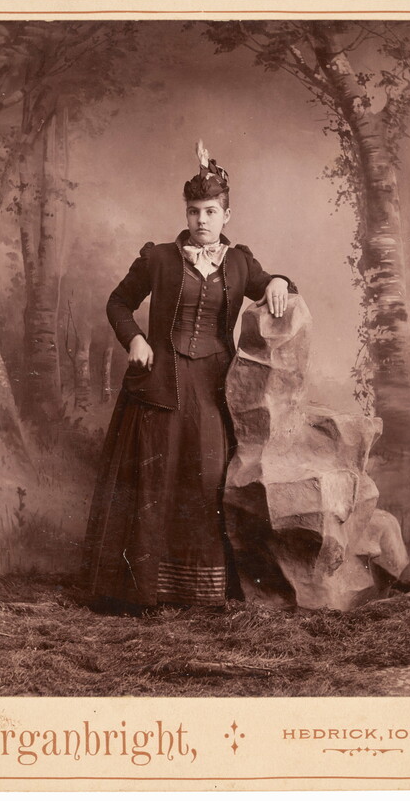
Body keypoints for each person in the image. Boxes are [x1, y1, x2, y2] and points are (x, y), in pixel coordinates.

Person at [81, 141, 297, 612]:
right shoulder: (158, 257)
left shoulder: (239, 262)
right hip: (160, 385)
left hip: (216, 388)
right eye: (194, 211)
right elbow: (118, 303)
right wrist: (135, 339)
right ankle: (143, 590)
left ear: (227, 214)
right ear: (186, 212)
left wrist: (279, 281)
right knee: (156, 479)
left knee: (208, 480)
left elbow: (267, 284)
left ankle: (201, 592)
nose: (202, 220)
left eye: (211, 211)